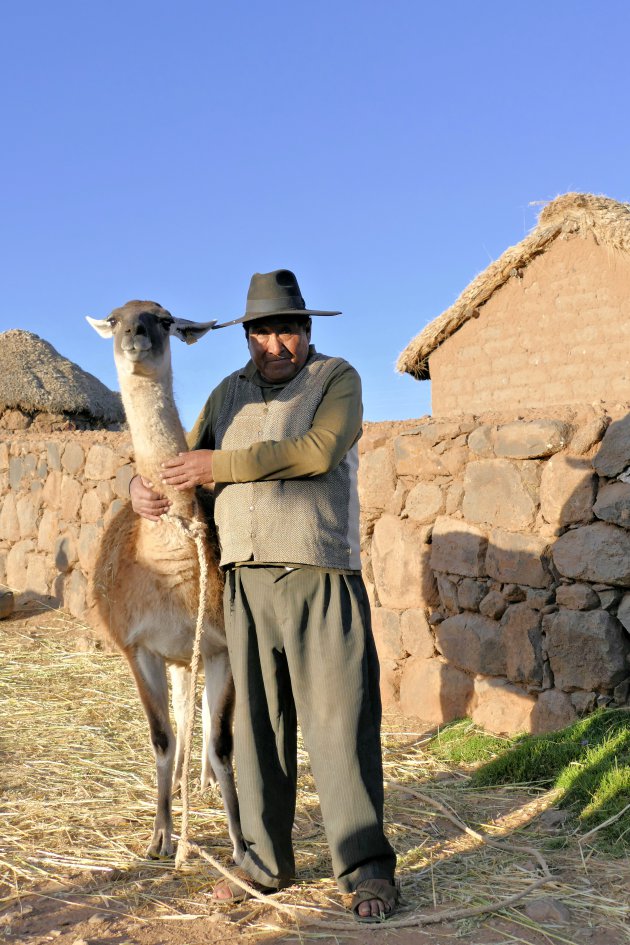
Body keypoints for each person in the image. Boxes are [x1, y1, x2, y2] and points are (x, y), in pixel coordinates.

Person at [130, 269, 398, 921]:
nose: (275, 343)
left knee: (340, 724)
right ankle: (262, 861)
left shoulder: (336, 381)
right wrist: (134, 491)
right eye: (262, 331)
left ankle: (366, 871)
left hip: (320, 575)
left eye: (287, 329)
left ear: (307, 331)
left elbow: (317, 451)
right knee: (254, 731)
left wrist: (216, 466)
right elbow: (177, 464)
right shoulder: (227, 396)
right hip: (245, 583)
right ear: (247, 336)